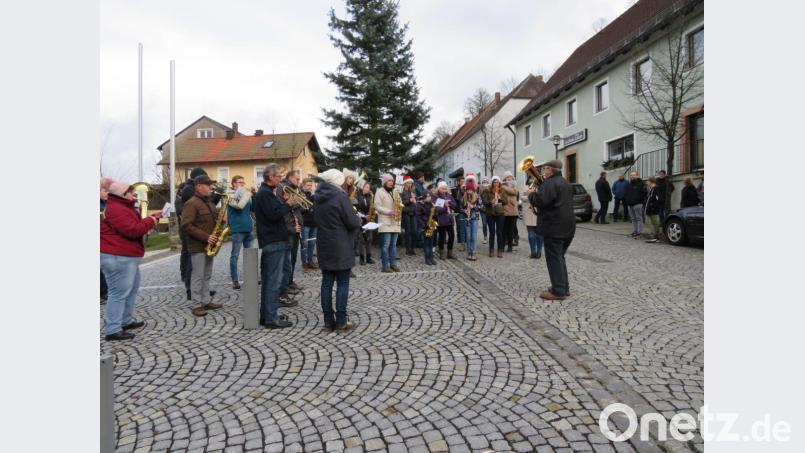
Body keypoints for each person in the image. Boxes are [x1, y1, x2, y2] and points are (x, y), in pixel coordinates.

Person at [101, 181, 161, 340]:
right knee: (118, 293)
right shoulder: (116, 208)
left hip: (126, 256)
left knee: (131, 289)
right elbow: (133, 230)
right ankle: (112, 329)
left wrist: (150, 219)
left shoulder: (123, 206)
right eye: (130, 192)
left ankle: (125, 320)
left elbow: (134, 225)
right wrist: (150, 221)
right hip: (118, 256)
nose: (133, 195)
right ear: (122, 194)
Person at [313, 169, 362, 331]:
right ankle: (341, 320)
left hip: (324, 244)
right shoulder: (340, 196)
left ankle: (328, 320)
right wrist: (357, 219)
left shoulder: (317, 196)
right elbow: (352, 222)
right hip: (340, 244)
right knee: (342, 283)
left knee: (326, 283)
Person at [254, 164, 298, 329]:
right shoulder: (265, 194)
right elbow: (273, 215)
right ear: (270, 177)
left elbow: (273, 212)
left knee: (269, 281)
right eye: (278, 176)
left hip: (272, 241)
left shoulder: (266, 193)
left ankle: (267, 315)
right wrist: (289, 204)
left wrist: (284, 204)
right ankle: (271, 318)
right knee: (273, 281)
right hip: (274, 241)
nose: (280, 178)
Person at [528, 160, 575, 300]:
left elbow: (541, 201)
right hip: (568, 226)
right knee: (560, 257)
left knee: (554, 258)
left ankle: (558, 291)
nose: (543, 172)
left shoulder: (549, 183)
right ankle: (563, 287)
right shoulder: (565, 182)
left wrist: (531, 194)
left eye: (545, 169)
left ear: (550, 170)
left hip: (554, 227)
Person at [181, 174, 224, 317]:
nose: (211, 187)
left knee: (207, 275)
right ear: (199, 186)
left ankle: (205, 301)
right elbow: (186, 225)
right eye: (208, 185)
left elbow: (212, 221)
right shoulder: (191, 203)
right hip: (198, 245)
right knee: (198, 276)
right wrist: (206, 237)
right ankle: (196, 304)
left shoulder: (209, 202)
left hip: (209, 245)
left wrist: (221, 221)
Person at [276, 169, 304, 298]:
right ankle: (285, 285)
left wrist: (299, 201)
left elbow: (298, 207)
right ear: (290, 177)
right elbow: (284, 209)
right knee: (287, 260)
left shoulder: (294, 188)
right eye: (297, 179)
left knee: (292, 258)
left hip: (296, 224)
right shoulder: (283, 188)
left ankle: (290, 281)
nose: (299, 181)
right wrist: (292, 227)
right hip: (290, 227)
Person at [227, 175, 254, 289]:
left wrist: (255, 195)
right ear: (233, 184)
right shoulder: (230, 195)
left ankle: (251, 278)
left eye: (243, 182)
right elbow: (239, 206)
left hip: (248, 228)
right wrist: (249, 194)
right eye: (239, 182)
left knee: (250, 256)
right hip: (238, 229)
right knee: (235, 256)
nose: (242, 184)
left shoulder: (247, 195)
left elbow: (252, 209)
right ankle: (235, 280)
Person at [374, 173, 401, 272]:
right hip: (385, 221)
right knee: (386, 245)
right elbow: (377, 206)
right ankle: (385, 266)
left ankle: (393, 264)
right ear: (385, 182)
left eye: (392, 181)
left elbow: (400, 203)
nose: (391, 182)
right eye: (389, 181)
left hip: (395, 222)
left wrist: (399, 201)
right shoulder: (379, 192)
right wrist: (389, 211)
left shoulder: (395, 191)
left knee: (393, 245)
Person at [481, 176, 507, 257]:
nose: (496, 184)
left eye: (498, 182)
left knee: (499, 232)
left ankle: (500, 250)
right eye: (495, 182)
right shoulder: (487, 190)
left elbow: (506, 202)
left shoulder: (502, 190)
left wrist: (500, 199)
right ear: (492, 183)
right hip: (490, 213)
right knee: (492, 232)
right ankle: (491, 250)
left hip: (500, 213)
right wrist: (490, 201)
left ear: (499, 183)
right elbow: (484, 201)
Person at [461, 173, 482, 261]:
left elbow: (481, 206)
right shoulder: (464, 197)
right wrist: (465, 210)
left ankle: (473, 252)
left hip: (474, 218)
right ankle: (469, 252)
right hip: (467, 218)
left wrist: (474, 207)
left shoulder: (477, 197)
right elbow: (460, 207)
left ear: (473, 190)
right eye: (468, 190)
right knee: (468, 236)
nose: (469, 192)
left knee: (473, 236)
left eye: (471, 190)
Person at [434, 181, 458, 260]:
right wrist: (445, 206)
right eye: (442, 188)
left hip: (450, 219)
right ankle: (442, 253)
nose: (444, 190)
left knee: (452, 236)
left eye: (445, 188)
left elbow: (455, 206)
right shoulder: (437, 197)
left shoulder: (449, 196)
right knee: (442, 237)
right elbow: (437, 210)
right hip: (441, 220)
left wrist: (450, 204)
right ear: (439, 189)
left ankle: (450, 253)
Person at [100, 177, 114, 304]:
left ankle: (105, 291)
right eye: (105, 191)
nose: (107, 194)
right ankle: (103, 292)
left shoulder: (106, 204)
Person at [521, 180, 544, 259]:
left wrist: (532, 194)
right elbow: (522, 198)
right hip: (528, 213)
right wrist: (530, 195)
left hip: (539, 213)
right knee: (531, 235)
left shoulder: (541, 187)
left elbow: (542, 198)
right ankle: (533, 252)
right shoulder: (525, 187)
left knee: (540, 234)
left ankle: (539, 252)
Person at [300, 178, 319, 271]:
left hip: (314, 222)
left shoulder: (313, 195)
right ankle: (304, 263)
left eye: (311, 185)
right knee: (305, 244)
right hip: (305, 223)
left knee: (312, 243)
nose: (309, 187)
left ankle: (310, 261)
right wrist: (306, 208)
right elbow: (299, 209)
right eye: (308, 185)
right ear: (303, 186)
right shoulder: (300, 195)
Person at [355, 180, 376, 265]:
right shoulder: (357, 196)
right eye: (366, 187)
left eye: (369, 187)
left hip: (369, 219)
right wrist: (363, 216)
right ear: (362, 187)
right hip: (360, 219)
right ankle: (361, 258)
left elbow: (372, 207)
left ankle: (368, 257)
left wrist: (372, 213)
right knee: (361, 239)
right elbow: (355, 209)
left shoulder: (370, 196)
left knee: (369, 239)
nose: (368, 189)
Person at [624, 171, 647, 239]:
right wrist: (627, 200)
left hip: (638, 204)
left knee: (639, 218)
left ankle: (639, 232)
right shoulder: (629, 184)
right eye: (631, 175)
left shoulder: (641, 184)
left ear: (637, 176)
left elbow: (645, 194)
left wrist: (641, 201)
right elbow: (626, 194)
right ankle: (635, 231)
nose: (632, 176)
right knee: (633, 219)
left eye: (633, 175)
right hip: (630, 204)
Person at [501, 171, 519, 253]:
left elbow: (514, 192)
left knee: (511, 229)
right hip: (504, 210)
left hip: (512, 211)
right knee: (504, 229)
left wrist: (504, 188)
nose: (509, 178)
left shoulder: (514, 184)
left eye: (510, 177)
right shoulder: (502, 185)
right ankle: (503, 244)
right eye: (508, 177)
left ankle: (510, 246)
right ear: (505, 178)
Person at [417, 192, 436, 265]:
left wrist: (435, 210)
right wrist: (424, 225)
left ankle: (431, 258)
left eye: (430, 197)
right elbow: (418, 217)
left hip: (431, 225)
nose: (430, 198)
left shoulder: (431, 204)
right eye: (428, 197)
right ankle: (427, 258)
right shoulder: (420, 205)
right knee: (426, 243)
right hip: (425, 226)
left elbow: (434, 215)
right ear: (424, 198)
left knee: (431, 243)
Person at [401, 176, 418, 256]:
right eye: (408, 183)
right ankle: (408, 249)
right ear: (405, 183)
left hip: (413, 213)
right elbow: (401, 203)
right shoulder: (402, 192)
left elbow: (416, 201)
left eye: (411, 183)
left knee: (414, 231)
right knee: (408, 231)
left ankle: (413, 248)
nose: (410, 184)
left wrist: (415, 201)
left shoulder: (413, 191)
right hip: (406, 213)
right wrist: (409, 200)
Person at [644, 176, 663, 243]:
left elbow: (659, 200)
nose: (646, 182)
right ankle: (656, 237)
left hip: (653, 210)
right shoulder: (651, 189)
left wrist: (653, 206)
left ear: (651, 181)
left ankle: (654, 236)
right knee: (653, 223)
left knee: (652, 223)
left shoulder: (655, 189)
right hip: (650, 210)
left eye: (647, 181)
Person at [452, 175, 467, 251]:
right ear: (458, 182)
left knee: (466, 227)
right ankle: (461, 242)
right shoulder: (455, 190)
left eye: (463, 181)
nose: (462, 183)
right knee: (460, 227)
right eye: (461, 181)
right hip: (458, 210)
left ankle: (465, 241)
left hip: (467, 210)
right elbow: (455, 200)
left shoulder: (467, 188)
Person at [479, 176, 490, 245]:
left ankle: (491, 236)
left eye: (486, 182)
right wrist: (481, 206)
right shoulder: (480, 188)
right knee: (484, 224)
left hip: (489, 209)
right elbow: (479, 198)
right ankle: (485, 237)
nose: (485, 183)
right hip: (483, 209)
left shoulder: (490, 188)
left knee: (490, 224)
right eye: (483, 182)